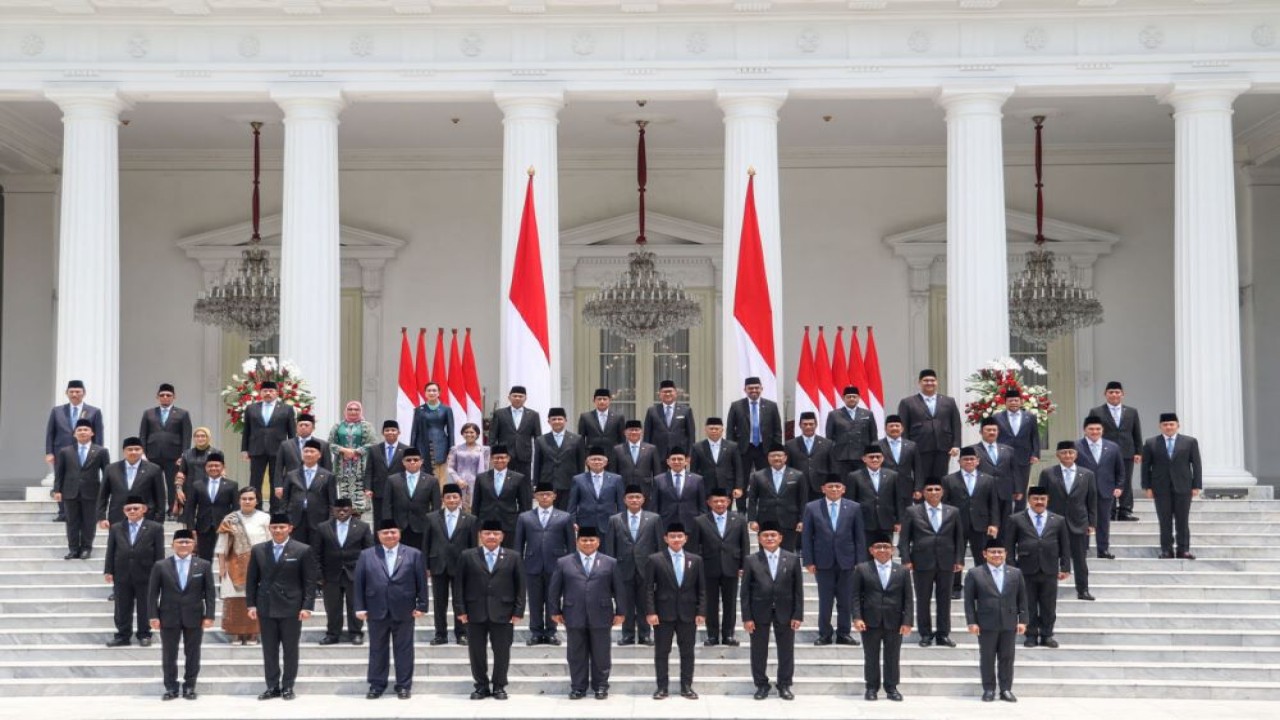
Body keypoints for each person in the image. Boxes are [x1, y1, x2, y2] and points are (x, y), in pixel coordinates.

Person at [246, 514, 319, 701]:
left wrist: (307, 606)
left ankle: (288, 686)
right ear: (269, 529)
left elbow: (309, 581)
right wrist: (251, 604)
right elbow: (252, 580)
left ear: (290, 528)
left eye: (282, 527)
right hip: (266, 606)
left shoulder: (302, 550)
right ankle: (272, 686)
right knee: (269, 650)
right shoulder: (259, 550)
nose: (278, 530)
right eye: (274, 527)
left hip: (292, 607)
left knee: (290, 649)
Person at [549, 526, 627, 700]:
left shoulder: (610, 562)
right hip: (573, 613)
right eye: (584, 540)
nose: (588, 543)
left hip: (601, 613)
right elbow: (555, 589)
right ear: (577, 542)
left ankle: (601, 686)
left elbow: (619, 589)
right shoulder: (564, 562)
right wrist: (554, 610)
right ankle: (578, 687)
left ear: (598, 542)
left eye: (592, 540)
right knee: (576, 653)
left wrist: (621, 612)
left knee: (601, 653)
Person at [354, 519, 429, 700]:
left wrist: (422, 605)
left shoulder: (413, 554)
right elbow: (359, 583)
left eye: (393, 532)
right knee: (377, 648)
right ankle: (376, 684)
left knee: (404, 649)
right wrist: (359, 607)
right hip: (375, 609)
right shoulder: (366, 555)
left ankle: (403, 685)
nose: (389, 535)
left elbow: (421, 582)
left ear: (399, 533)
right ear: (378, 535)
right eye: (385, 532)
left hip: (404, 609)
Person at [455, 520, 526, 701]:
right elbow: (458, 586)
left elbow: (520, 586)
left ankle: (499, 686)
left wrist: (518, 611)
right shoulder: (467, 555)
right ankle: (481, 686)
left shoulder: (513, 556)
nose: (491, 537)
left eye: (495, 534)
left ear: (502, 536)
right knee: (476, 652)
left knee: (502, 651)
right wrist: (461, 610)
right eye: (487, 533)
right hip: (474, 612)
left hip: (503, 612)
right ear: (481, 535)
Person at [148, 529, 215, 701]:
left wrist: (210, 615)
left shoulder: (203, 565)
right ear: (173, 545)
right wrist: (153, 616)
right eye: (180, 542)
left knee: (193, 653)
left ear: (194, 545)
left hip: (194, 616)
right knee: (169, 653)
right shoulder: (161, 565)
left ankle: (189, 686)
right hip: (168, 615)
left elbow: (210, 593)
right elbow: (152, 593)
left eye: (187, 542)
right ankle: (170, 687)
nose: (184, 545)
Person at [898, 478, 964, 648]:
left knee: (944, 600)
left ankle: (943, 634)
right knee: (923, 599)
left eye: (936, 489)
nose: (933, 492)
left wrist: (959, 559)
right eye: (929, 489)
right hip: (921, 561)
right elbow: (904, 539)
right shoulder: (913, 511)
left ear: (942, 492)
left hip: (946, 561)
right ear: (924, 493)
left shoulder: (953, 511)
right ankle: (925, 634)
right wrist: (906, 559)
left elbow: (959, 538)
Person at [741, 520, 803, 701]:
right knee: (758, 650)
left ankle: (784, 684)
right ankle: (761, 684)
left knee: (786, 650)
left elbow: (798, 590)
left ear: (780, 538)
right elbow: (745, 591)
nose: (769, 538)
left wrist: (797, 614)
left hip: (786, 611)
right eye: (765, 535)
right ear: (759, 539)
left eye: (773, 535)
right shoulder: (751, 560)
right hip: (759, 611)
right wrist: (747, 617)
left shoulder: (791, 559)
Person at [643, 522, 706, 700]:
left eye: (680, 536)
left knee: (687, 652)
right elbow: (648, 588)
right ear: (666, 539)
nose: (676, 539)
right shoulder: (655, 559)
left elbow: (701, 589)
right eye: (672, 536)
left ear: (685, 539)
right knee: (662, 652)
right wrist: (651, 611)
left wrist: (701, 611)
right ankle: (662, 687)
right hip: (663, 613)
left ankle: (686, 686)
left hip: (688, 613)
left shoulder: (696, 560)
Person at [1003, 485, 1071, 648]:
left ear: (1048, 500)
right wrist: (1011, 568)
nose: (1039, 502)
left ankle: (1047, 635)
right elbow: (1009, 545)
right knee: (1028, 604)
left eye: (1042, 499)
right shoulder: (1016, 519)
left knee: (1049, 605)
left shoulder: (1058, 520)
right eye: (1035, 499)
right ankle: (1031, 635)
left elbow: (1065, 545)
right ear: (1029, 500)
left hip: (1049, 568)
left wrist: (1065, 567)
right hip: (1026, 569)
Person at [802, 476, 866, 646]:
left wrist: (860, 561)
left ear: (843, 489)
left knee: (845, 600)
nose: (834, 489)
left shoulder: (854, 507)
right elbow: (807, 536)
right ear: (823, 488)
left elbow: (859, 536)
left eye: (838, 486)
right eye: (831, 486)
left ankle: (844, 633)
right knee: (825, 600)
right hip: (823, 560)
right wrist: (808, 560)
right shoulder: (812, 507)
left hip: (847, 560)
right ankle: (825, 633)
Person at [963, 539, 1028, 703]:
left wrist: (1023, 620)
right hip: (986, 623)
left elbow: (1022, 599)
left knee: (1007, 657)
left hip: (1009, 622)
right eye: (993, 552)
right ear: (985, 554)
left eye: (1000, 551)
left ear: (1006, 554)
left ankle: (1006, 689)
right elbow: (969, 601)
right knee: (987, 657)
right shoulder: (975, 573)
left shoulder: (1015, 573)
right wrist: (972, 622)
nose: (997, 555)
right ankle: (989, 689)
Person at [851, 532, 913, 702]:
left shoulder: (902, 570)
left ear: (892, 550)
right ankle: (871, 688)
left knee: (892, 655)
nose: (882, 550)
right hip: (870, 620)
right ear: (871, 550)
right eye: (878, 547)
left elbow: (908, 598)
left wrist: (907, 621)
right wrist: (857, 617)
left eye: (886, 547)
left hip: (894, 621)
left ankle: (892, 688)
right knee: (871, 655)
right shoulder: (862, 569)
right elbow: (855, 596)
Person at [515, 482, 576, 646]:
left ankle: (551, 632)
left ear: (554, 496)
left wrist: (571, 566)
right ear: (535, 497)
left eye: (548, 494)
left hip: (556, 565)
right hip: (532, 564)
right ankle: (535, 632)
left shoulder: (564, 517)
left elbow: (571, 544)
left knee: (553, 600)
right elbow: (518, 544)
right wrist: (517, 565)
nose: (544, 497)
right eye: (541, 494)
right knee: (534, 600)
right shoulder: (525, 517)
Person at [602, 484, 663, 646]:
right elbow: (610, 547)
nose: (634, 500)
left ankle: (645, 634)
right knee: (625, 602)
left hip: (647, 567)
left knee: (645, 602)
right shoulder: (615, 520)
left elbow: (659, 546)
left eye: (637, 497)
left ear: (643, 500)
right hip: (623, 568)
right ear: (624, 500)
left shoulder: (654, 518)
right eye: (631, 497)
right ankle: (627, 634)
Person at [1039, 440, 1098, 601]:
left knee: (1080, 559)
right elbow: (1041, 498)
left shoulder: (1087, 474)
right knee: (1050, 558)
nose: (1068, 455)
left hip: (1078, 522)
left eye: (1071, 453)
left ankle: (1083, 590)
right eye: (1064, 453)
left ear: (1076, 455)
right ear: (1058, 455)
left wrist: (1092, 523)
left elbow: (1092, 500)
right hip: (1054, 522)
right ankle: (1047, 591)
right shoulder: (1048, 473)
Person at [690, 487, 750, 646]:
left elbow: (745, 545)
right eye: (715, 501)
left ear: (729, 502)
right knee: (710, 603)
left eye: (723, 501)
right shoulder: (700, 521)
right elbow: (695, 548)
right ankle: (712, 635)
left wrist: (744, 565)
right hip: (708, 567)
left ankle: (729, 634)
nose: (719, 504)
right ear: (709, 503)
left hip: (732, 566)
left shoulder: (739, 520)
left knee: (730, 603)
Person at [104, 496, 165, 648]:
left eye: (135, 508)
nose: (132, 511)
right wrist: (108, 570)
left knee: (146, 605)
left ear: (143, 509)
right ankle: (123, 635)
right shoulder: (116, 528)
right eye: (128, 509)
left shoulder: (155, 528)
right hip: (122, 573)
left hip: (146, 573)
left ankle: (144, 634)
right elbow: (111, 550)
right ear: (124, 511)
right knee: (122, 606)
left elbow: (159, 552)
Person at [1141, 413, 1202, 560]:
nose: (1168, 427)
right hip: (1160, 487)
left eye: (1171, 424)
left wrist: (1196, 485)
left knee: (1183, 520)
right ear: (1160, 426)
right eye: (1165, 425)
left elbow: (1196, 464)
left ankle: (1183, 550)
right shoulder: (1151, 443)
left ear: (1177, 425)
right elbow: (1145, 466)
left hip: (1183, 486)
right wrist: (1147, 487)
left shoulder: (1189, 442)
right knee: (1164, 520)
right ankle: (1166, 550)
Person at [942, 446, 1001, 599]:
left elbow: (993, 503)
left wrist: (994, 524)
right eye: (965, 459)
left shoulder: (988, 479)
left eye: (972, 459)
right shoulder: (949, 480)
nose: (969, 461)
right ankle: (955, 587)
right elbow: (945, 504)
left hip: (981, 524)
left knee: (981, 556)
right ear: (959, 461)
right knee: (956, 556)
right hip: (957, 524)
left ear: (978, 461)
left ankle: (983, 587)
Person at [214, 486, 270, 645]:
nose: (247, 501)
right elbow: (222, 545)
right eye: (244, 498)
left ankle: (253, 634)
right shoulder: (230, 519)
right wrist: (222, 569)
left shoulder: (265, 518)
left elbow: (270, 542)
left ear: (257, 500)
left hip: (258, 564)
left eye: (251, 498)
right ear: (239, 500)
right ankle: (237, 633)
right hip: (234, 565)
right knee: (236, 599)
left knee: (255, 598)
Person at [316, 497, 374, 645]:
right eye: (338, 510)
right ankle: (333, 634)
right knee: (332, 606)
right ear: (333, 510)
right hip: (330, 574)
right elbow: (316, 553)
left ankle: (355, 633)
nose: (342, 512)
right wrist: (318, 574)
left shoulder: (362, 527)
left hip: (355, 573)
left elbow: (369, 552)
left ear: (351, 510)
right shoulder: (323, 527)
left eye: (345, 509)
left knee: (355, 605)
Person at [424, 484, 476, 646]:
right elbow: (426, 543)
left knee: (460, 601)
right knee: (440, 602)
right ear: (443, 500)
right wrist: (426, 566)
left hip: (461, 566)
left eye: (455, 497)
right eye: (448, 497)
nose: (452, 500)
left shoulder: (470, 520)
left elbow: (473, 545)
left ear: (460, 499)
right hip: (438, 564)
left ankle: (461, 633)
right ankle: (441, 634)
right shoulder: (431, 518)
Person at [45, 379, 104, 522]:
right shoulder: (57, 411)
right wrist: (49, 452)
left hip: (86, 451)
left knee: (86, 479)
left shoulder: (93, 411)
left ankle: (86, 511)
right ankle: (63, 512)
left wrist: (98, 452)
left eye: (78, 391)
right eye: (71, 391)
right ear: (66, 393)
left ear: (84, 393)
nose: (74, 394)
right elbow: (50, 432)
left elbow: (99, 433)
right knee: (61, 479)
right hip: (61, 451)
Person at [53, 418, 110, 560]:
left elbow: (107, 473)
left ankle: (86, 548)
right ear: (74, 434)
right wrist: (57, 490)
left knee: (89, 522)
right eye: (79, 430)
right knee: (72, 521)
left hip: (92, 492)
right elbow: (60, 472)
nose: (82, 432)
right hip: (70, 491)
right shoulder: (65, 451)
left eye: (85, 430)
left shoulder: (101, 451)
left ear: (92, 433)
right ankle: (73, 549)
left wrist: (106, 491)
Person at [1090, 381, 1143, 522]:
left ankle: (1125, 511)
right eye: (1111, 392)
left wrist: (1139, 451)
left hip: (1127, 451)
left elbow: (1136, 432)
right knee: (1107, 481)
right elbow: (1092, 432)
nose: (1114, 395)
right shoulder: (1096, 412)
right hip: (1105, 452)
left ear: (1123, 394)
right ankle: (1110, 511)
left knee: (1125, 481)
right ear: (1105, 394)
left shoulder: (1131, 411)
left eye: (1117, 392)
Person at [240, 381, 297, 509]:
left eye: (271, 391)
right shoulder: (251, 408)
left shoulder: (286, 409)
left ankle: (276, 510)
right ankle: (256, 508)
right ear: (260, 393)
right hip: (256, 449)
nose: (268, 393)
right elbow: (246, 431)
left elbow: (292, 432)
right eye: (265, 391)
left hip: (278, 450)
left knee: (276, 481)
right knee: (255, 480)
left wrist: (293, 450)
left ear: (277, 393)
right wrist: (244, 449)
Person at [897, 369, 962, 480]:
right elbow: (903, 427)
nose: (929, 383)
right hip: (919, 447)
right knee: (921, 479)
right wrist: (905, 447)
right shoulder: (908, 402)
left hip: (943, 447)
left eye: (932, 380)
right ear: (919, 382)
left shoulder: (949, 401)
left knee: (941, 479)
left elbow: (956, 423)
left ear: (937, 382)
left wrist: (956, 445)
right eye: (926, 380)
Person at [138, 383, 191, 522]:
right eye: (162, 395)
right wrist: (142, 454)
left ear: (174, 397)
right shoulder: (149, 413)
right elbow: (143, 434)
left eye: (168, 395)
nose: (165, 397)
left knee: (173, 484)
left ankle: (173, 511)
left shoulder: (182, 414)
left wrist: (183, 455)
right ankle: (152, 510)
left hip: (174, 455)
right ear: (157, 397)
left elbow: (186, 435)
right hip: (152, 455)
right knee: (152, 483)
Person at [1077, 416, 1127, 560]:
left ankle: (1103, 549)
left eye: (1098, 429)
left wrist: (1119, 486)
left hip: (1106, 490)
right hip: (1082, 491)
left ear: (1102, 430)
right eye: (1091, 429)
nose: (1094, 431)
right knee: (1082, 521)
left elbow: (1120, 469)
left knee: (1104, 521)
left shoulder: (1112, 447)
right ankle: (1082, 549)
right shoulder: (1076, 446)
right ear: (1085, 430)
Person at [746, 444, 806, 551]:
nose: (776, 458)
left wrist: (802, 520)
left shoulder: (798, 475)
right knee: (765, 553)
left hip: (789, 520)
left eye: (779, 455)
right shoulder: (757, 476)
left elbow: (802, 499)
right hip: (766, 520)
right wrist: (752, 520)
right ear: (768, 458)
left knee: (788, 553)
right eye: (773, 456)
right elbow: (752, 499)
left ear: (785, 457)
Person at [471, 445, 531, 549]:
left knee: (509, 554)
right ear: (491, 459)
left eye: (502, 457)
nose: (499, 460)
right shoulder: (482, 478)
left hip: (509, 523)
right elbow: (476, 503)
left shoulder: (518, 478)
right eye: (496, 457)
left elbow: (524, 504)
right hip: (487, 522)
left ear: (508, 458)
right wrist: (475, 524)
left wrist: (522, 523)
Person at [281, 438, 338, 546]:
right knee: (296, 550)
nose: (308, 454)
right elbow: (284, 500)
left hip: (319, 520)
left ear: (319, 455)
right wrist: (285, 519)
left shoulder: (328, 476)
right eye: (306, 451)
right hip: (295, 520)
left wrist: (330, 522)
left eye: (312, 451)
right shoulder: (291, 475)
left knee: (316, 552)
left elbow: (333, 502)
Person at [98, 436, 165, 527]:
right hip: (117, 518)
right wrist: (102, 517)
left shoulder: (154, 469)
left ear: (142, 451)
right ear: (124, 451)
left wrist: (158, 520)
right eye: (130, 449)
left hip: (146, 518)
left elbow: (160, 498)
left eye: (137, 449)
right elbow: (103, 495)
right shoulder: (111, 469)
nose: (133, 452)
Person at [847, 444, 902, 554]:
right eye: (871, 457)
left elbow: (898, 499)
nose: (875, 459)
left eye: (878, 457)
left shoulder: (893, 475)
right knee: (865, 553)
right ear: (864, 459)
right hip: (865, 521)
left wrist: (899, 521)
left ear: (883, 458)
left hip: (886, 521)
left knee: (885, 553)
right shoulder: (854, 476)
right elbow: (851, 501)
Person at [383, 448, 441, 551]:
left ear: (421, 461)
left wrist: (433, 526)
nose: (412, 462)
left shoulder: (431, 481)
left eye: (415, 459)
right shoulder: (392, 480)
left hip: (422, 526)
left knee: (420, 557)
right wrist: (389, 527)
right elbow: (387, 505)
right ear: (403, 462)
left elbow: (436, 506)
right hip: (399, 526)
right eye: (408, 460)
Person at [994, 388, 1041, 513]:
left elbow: (1034, 436)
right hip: (1004, 458)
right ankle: (1005, 516)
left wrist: (1035, 454)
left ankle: (1020, 517)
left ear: (1021, 402)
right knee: (1005, 487)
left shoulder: (1029, 417)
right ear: (1005, 402)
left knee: (1021, 488)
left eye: (1016, 400)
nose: (1013, 402)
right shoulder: (997, 417)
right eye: (1010, 400)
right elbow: (994, 436)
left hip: (1024, 457)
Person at [186, 451, 239, 562]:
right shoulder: (197, 485)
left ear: (223, 467)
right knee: (204, 560)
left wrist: (234, 526)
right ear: (206, 467)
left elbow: (236, 508)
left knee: (226, 559)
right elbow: (190, 507)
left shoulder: (232, 485)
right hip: (203, 527)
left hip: (225, 527)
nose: (213, 468)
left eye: (216, 465)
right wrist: (191, 527)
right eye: (210, 466)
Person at [533, 407, 588, 510]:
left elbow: (580, 464)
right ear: (549, 421)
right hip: (547, 483)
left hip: (569, 483)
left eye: (560, 419)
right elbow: (537, 464)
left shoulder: (577, 439)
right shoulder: (541, 440)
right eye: (554, 419)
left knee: (567, 514)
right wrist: (536, 484)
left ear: (565, 421)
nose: (557, 421)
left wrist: (581, 483)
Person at [726, 376, 783, 475]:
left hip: (765, 448)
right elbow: (730, 430)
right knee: (742, 478)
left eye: (757, 388)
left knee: (766, 479)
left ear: (761, 388)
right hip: (744, 449)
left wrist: (775, 449)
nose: (754, 390)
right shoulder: (736, 406)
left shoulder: (771, 406)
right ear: (745, 390)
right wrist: (732, 449)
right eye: (750, 388)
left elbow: (777, 429)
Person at [971, 417, 1019, 531]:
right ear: (981, 432)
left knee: (1005, 524)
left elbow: (1014, 471)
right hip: (983, 491)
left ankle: (1003, 548)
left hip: (1004, 491)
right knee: (986, 523)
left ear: (998, 432)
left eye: (994, 430)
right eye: (988, 430)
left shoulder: (1008, 450)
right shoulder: (973, 450)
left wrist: (1018, 489)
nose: (992, 432)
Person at [329, 401, 375, 515]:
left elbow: (372, 444)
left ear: (360, 411)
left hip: (360, 469)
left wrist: (356, 451)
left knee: (359, 502)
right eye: (350, 409)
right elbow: (330, 443)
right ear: (346, 411)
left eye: (356, 409)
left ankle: (357, 524)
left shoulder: (367, 426)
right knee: (343, 501)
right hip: (342, 469)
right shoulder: (338, 426)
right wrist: (343, 450)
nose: (353, 412)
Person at [692, 416, 746, 513]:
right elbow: (694, 470)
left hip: (727, 486)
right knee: (706, 515)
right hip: (706, 487)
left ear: (722, 430)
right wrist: (694, 488)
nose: (714, 431)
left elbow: (738, 468)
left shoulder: (732, 446)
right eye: (711, 429)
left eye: (716, 429)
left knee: (725, 513)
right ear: (706, 430)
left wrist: (738, 487)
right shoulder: (697, 447)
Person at [488, 385, 540, 480]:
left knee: (524, 483)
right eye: (515, 396)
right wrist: (492, 454)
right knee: (505, 483)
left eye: (520, 396)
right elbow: (492, 436)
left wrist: (539, 455)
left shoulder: (533, 415)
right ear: (509, 397)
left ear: (525, 398)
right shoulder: (499, 414)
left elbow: (538, 438)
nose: (517, 398)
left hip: (524, 456)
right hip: (504, 456)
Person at [568, 446, 624, 532]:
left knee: (608, 546)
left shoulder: (616, 479)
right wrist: (572, 521)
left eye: (599, 459)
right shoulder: (578, 479)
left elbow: (621, 504)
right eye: (593, 459)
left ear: (605, 462)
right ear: (587, 462)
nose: (596, 462)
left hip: (609, 524)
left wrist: (621, 521)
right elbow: (572, 504)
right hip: (585, 524)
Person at [827, 386, 879, 478]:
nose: (852, 399)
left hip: (862, 457)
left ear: (858, 398)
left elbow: (873, 437)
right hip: (842, 457)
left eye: (854, 396)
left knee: (862, 485)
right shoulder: (834, 415)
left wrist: (871, 456)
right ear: (843, 398)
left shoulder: (868, 414)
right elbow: (829, 438)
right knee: (844, 486)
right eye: (849, 397)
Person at [364, 420, 410, 525]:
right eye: (387, 430)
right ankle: (377, 541)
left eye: (393, 430)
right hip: (379, 491)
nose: (390, 432)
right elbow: (369, 470)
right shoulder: (374, 449)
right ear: (383, 432)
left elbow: (409, 471)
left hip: (399, 491)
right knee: (379, 520)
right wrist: (367, 488)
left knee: (398, 519)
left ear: (399, 432)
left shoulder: (406, 449)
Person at [651, 448, 706, 534]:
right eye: (673, 459)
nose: (676, 462)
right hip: (666, 524)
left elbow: (702, 506)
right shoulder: (658, 480)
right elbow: (654, 505)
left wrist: (701, 524)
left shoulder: (697, 479)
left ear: (686, 461)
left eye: (680, 459)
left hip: (691, 524)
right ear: (668, 462)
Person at [411, 382, 455, 484]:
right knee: (423, 477)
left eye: (434, 390)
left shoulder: (446, 409)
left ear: (439, 392)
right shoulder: (419, 410)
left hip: (441, 446)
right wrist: (412, 449)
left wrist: (451, 450)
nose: (431, 393)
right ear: (425, 393)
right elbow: (414, 431)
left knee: (440, 479)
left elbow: (451, 431)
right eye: (429, 390)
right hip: (422, 445)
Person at [643, 379, 697, 461]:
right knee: (658, 474)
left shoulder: (686, 410)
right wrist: (647, 453)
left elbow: (691, 434)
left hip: (679, 454)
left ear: (676, 393)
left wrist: (690, 454)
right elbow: (647, 434)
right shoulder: (652, 411)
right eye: (664, 392)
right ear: (659, 394)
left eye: (670, 391)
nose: (667, 394)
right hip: (658, 453)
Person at [785, 411, 833, 502]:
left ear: (816, 425)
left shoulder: (827, 444)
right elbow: (787, 468)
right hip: (798, 485)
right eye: (805, 424)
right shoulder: (790, 444)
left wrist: (830, 485)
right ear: (800, 425)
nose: (808, 427)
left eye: (811, 424)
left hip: (820, 486)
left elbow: (832, 466)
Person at [611, 420, 662, 505]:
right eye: (631, 430)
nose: (634, 432)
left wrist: (655, 491)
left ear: (641, 432)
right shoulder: (617, 449)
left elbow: (657, 473)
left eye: (636, 429)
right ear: (625, 432)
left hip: (645, 490)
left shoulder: (651, 449)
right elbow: (613, 472)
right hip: (624, 489)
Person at [174, 427, 218, 519]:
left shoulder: (216, 453)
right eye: (197, 436)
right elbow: (181, 473)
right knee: (189, 522)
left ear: (208, 437)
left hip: (209, 490)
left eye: (203, 436)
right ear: (194, 438)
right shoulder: (186, 453)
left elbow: (221, 473)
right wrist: (179, 490)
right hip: (189, 490)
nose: (200, 438)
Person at [276, 413, 332, 483]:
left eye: (306, 425)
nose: (303, 427)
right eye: (300, 425)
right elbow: (279, 468)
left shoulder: (323, 445)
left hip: (316, 484)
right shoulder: (286, 445)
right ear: (296, 427)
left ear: (313, 428)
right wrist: (278, 485)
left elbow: (327, 468)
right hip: (291, 484)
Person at [445, 422, 489, 512]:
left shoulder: (484, 450)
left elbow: (486, 468)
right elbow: (450, 467)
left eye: (472, 432)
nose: (469, 434)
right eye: (466, 432)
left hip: (477, 483)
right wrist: (458, 480)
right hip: (459, 483)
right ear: (462, 434)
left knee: (475, 509)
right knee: (459, 510)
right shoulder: (455, 449)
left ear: (477, 434)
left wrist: (481, 482)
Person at [881, 415, 921, 505]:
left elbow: (918, 469)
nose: (894, 428)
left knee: (906, 516)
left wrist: (917, 488)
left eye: (897, 426)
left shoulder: (912, 445)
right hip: (884, 489)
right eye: (891, 426)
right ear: (885, 429)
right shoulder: (878, 445)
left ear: (902, 428)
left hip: (906, 488)